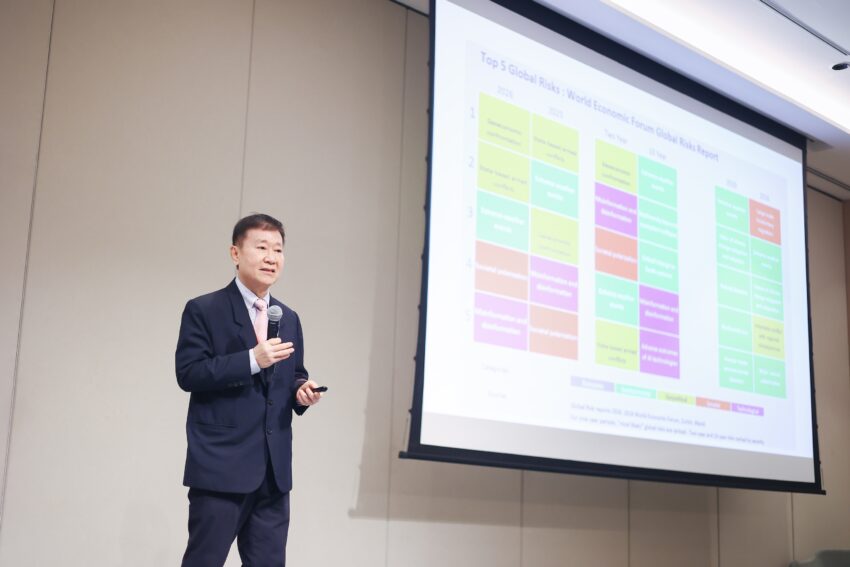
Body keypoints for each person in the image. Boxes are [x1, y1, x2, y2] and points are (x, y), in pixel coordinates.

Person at [175, 213, 322, 567]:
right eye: (262, 248)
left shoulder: (288, 317)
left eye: (278, 250)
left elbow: (293, 374)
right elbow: (189, 373)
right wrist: (252, 359)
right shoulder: (204, 309)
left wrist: (302, 390)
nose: (271, 258)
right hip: (221, 469)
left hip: (273, 474)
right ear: (235, 253)